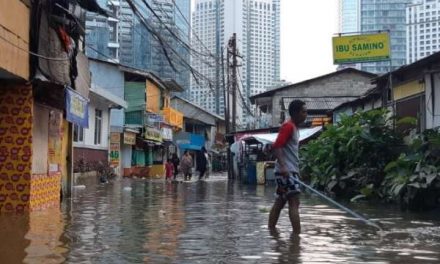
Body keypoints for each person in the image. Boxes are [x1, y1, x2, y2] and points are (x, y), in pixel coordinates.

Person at [268, 100, 307, 234]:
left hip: (289, 171)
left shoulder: (295, 128)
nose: (306, 115)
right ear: (295, 113)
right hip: (285, 172)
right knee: (294, 203)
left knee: (280, 202)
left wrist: (296, 171)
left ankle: (271, 231)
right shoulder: (288, 126)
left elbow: (290, 152)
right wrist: (284, 167)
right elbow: (277, 146)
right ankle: (297, 238)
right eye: (303, 112)